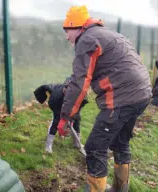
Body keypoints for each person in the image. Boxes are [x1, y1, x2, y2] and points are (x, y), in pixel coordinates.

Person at [58, 5, 152, 191]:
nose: (66, 37)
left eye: (66, 31)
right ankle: (119, 188)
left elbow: (80, 83)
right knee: (120, 142)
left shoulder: (86, 40)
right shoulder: (107, 34)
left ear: (75, 27)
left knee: (94, 148)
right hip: (142, 93)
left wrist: (65, 116)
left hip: (121, 99)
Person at [34, 77, 88, 154]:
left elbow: (78, 109)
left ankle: (76, 143)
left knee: (77, 119)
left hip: (73, 103)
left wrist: (72, 118)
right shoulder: (56, 96)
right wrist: (64, 119)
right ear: (64, 90)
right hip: (56, 103)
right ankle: (48, 145)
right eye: (66, 91)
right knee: (57, 120)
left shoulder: (81, 95)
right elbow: (60, 113)